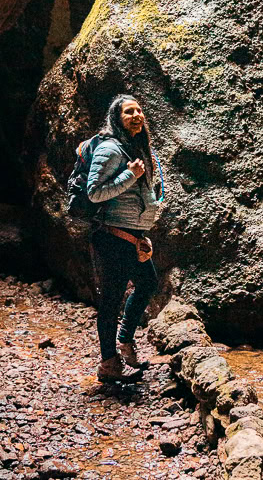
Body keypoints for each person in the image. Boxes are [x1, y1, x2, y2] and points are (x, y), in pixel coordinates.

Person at [87, 94, 164, 383]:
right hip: (112, 237)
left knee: (147, 283)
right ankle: (109, 363)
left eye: (139, 110)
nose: (136, 115)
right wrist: (129, 176)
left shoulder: (137, 147)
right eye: (128, 112)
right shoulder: (110, 148)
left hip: (132, 235)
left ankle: (125, 339)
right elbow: (94, 193)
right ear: (116, 119)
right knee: (110, 301)